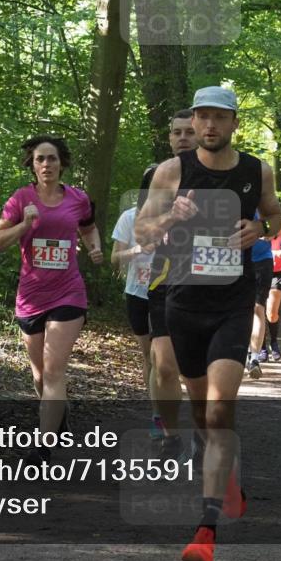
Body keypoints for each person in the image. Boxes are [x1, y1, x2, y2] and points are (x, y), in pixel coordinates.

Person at [136, 86, 281, 561]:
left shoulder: (255, 170)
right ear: (194, 123)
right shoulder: (171, 171)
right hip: (182, 303)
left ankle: (206, 529)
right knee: (202, 414)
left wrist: (260, 229)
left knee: (219, 412)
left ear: (235, 123)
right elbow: (141, 229)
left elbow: (276, 218)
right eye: (203, 118)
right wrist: (165, 221)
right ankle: (227, 475)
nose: (210, 126)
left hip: (232, 306)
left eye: (220, 118)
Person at [0, 136, 104, 464]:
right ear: (32, 164)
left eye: (52, 159)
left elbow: (88, 228)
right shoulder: (21, 198)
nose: (46, 165)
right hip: (30, 295)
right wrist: (24, 225)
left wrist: (94, 246)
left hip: (68, 293)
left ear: (62, 163)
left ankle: (41, 447)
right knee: (39, 375)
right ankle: (58, 416)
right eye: (40, 159)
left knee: (54, 371)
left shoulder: (78, 199)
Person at [139, 110, 201, 460]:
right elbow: (143, 230)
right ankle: (169, 432)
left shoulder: (224, 174)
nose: (182, 138)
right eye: (176, 133)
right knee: (164, 364)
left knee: (200, 367)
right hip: (165, 278)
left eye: (187, 133)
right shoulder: (158, 175)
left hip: (210, 283)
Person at [110, 181, 157, 435]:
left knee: (165, 356)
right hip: (137, 292)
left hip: (170, 293)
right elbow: (114, 258)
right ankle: (156, 413)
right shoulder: (129, 218)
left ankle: (163, 411)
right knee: (149, 354)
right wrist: (137, 249)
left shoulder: (180, 217)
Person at [247, 212, 274, 376]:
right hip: (235, 260)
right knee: (239, 309)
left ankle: (255, 358)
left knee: (258, 308)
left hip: (262, 261)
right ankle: (241, 354)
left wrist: (270, 231)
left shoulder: (266, 204)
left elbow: (276, 227)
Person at [258, 225, 281, 362]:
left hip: (276, 271)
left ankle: (274, 343)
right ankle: (262, 347)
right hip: (259, 269)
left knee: (271, 312)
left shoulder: (279, 222)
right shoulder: (254, 218)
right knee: (259, 310)